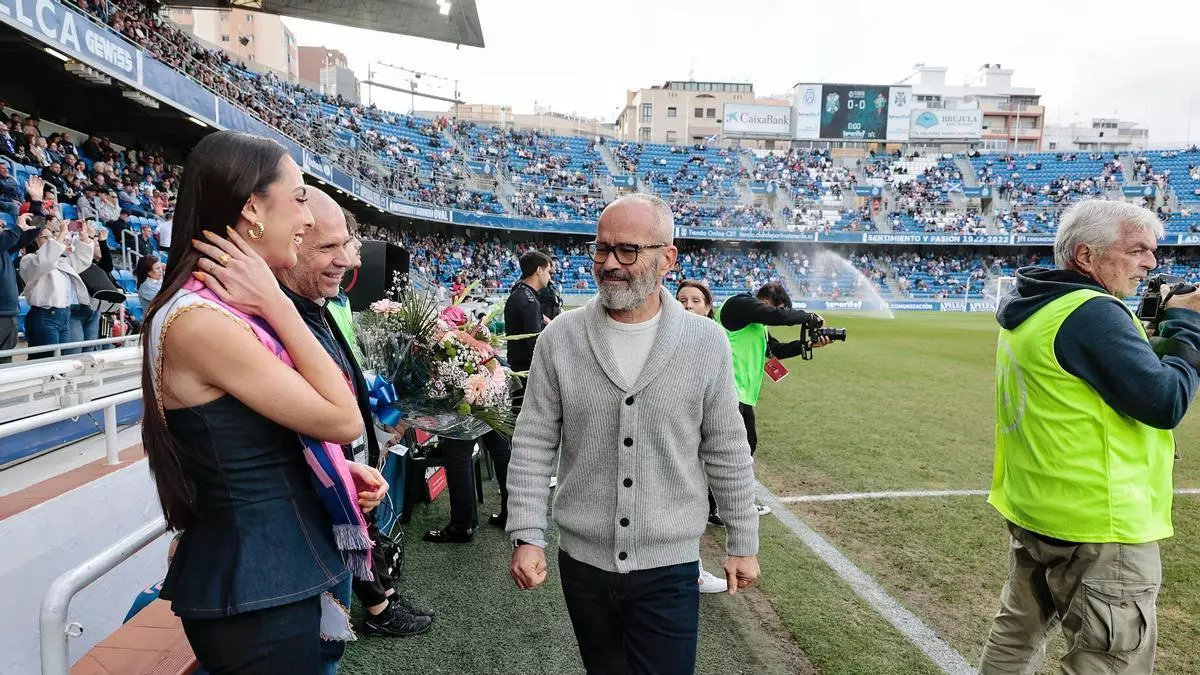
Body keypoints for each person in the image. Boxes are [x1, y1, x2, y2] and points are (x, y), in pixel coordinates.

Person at [140, 130, 387, 674]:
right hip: (256, 582)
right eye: (299, 197)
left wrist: (337, 470)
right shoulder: (201, 321)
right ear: (253, 208)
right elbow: (343, 414)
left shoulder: (218, 309)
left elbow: (242, 436)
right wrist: (278, 302)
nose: (306, 218)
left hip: (270, 571)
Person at [506, 194, 760, 675]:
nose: (609, 264)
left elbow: (727, 448)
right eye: (601, 249)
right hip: (582, 564)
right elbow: (534, 440)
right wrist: (526, 533)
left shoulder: (705, 342)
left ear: (667, 258)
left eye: (627, 250)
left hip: (670, 565)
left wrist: (742, 541)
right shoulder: (560, 337)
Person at [978, 199, 1200, 674]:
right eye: (1138, 249)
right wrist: (1188, 327)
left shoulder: (1035, 304)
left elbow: (1108, 376)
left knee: (1015, 637)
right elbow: (1165, 401)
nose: (1151, 264)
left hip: (1039, 510)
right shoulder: (1093, 312)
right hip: (1100, 526)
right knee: (1108, 660)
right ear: (1086, 256)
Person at [275, 189, 433, 658]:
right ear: (288, 244)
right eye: (328, 248)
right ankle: (381, 608)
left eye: (347, 244)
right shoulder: (273, 320)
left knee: (330, 642)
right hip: (303, 520)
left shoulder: (316, 306)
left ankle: (380, 604)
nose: (346, 260)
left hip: (339, 482)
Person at [717, 282, 831, 517]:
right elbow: (771, 315)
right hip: (728, 391)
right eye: (779, 308)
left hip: (742, 394)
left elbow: (776, 350)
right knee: (741, 450)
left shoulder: (757, 325)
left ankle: (721, 504)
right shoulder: (739, 304)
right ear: (768, 300)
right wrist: (807, 317)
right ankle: (732, 505)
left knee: (740, 449)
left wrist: (809, 344)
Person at [488, 249, 552, 529]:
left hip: (522, 373)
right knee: (522, 441)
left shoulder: (523, 296)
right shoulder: (526, 300)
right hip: (527, 376)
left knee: (519, 440)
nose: (550, 275)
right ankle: (516, 507)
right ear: (538, 270)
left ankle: (512, 507)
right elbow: (532, 344)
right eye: (548, 270)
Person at [674, 279, 731, 595]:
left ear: (708, 307)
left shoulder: (716, 341)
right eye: (682, 299)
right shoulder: (665, 337)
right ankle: (690, 573)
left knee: (692, 503)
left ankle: (692, 571)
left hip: (701, 437)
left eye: (696, 300)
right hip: (676, 440)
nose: (688, 305)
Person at [20, 213, 95, 359]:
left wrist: (84, 237)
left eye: (51, 237)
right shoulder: (28, 260)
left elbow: (82, 260)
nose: (50, 241)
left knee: (61, 362)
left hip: (63, 315)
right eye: (45, 237)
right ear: (34, 241)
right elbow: (45, 260)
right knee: (46, 362)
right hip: (44, 316)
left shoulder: (60, 262)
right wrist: (62, 234)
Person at [1, 212, 40, 361]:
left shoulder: (4, 250)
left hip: (9, 315)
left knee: (5, 365)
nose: (3, 223)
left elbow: (29, 234)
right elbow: (10, 237)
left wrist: (36, 206)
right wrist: (17, 228)